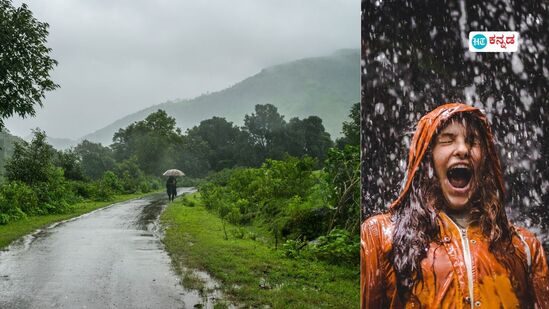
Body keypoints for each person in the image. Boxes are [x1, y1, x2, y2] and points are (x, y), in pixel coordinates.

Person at [361, 103, 549, 308]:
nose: (463, 149)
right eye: (448, 140)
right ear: (426, 159)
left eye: (472, 141)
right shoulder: (380, 236)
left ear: (485, 161)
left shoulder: (525, 246)